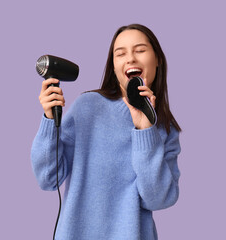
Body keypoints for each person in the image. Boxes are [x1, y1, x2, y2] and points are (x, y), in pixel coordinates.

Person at [31, 23, 181, 240]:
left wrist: (145, 129)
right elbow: (47, 179)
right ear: (114, 65)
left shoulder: (166, 129)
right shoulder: (87, 107)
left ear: (157, 59)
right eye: (120, 54)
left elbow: (158, 199)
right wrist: (48, 119)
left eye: (140, 50)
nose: (130, 58)